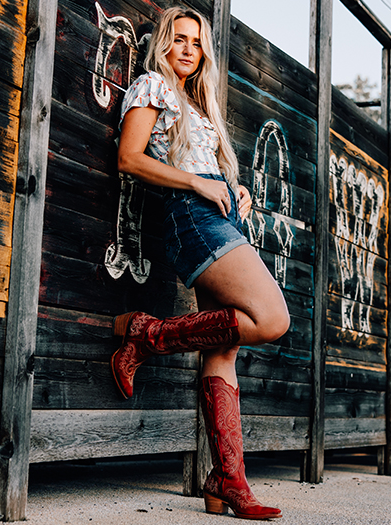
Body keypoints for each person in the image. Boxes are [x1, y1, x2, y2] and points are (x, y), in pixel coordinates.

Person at [112, 6, 289, 521]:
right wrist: (198, 183)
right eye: (179, 38)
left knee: (225, 347)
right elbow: (129, 158)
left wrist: (232, 190)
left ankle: (226, 480)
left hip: (214, 218)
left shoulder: (197, 103)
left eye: (197, 41)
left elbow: (200, 166)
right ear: (162, 43)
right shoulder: (152, 86)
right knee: (272, 319)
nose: (189, 48)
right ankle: (149, 335)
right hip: (188, 219)